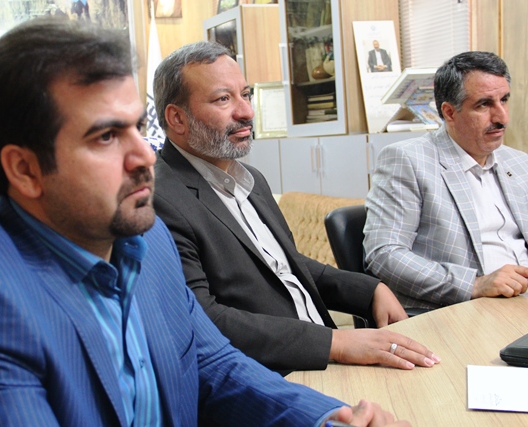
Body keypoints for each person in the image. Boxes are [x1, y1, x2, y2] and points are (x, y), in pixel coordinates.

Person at [0, 17, 409, 427]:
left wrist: (326, 418)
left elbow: (212, 363)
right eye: (106, 137)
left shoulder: (145, 236)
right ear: (25, 169)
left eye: (136, 127)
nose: (145, 157)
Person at [152, 41, 440, 375]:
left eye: (245, 94)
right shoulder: (159, 199)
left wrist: (369, 289)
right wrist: (336, 344)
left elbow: (284, 264)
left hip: (324, 357)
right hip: (271, 377)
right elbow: (202, 319)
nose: (246, 112)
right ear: (177, 118)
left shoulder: (251, 179)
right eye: (223, 99)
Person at [364, 51, 528, 312]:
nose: (502, 118)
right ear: (449, 112)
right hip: (460, 309)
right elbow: (385, 254)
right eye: (484, 105)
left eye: (504, 100)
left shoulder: (518, 163)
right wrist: (475, 285)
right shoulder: (408, 160)